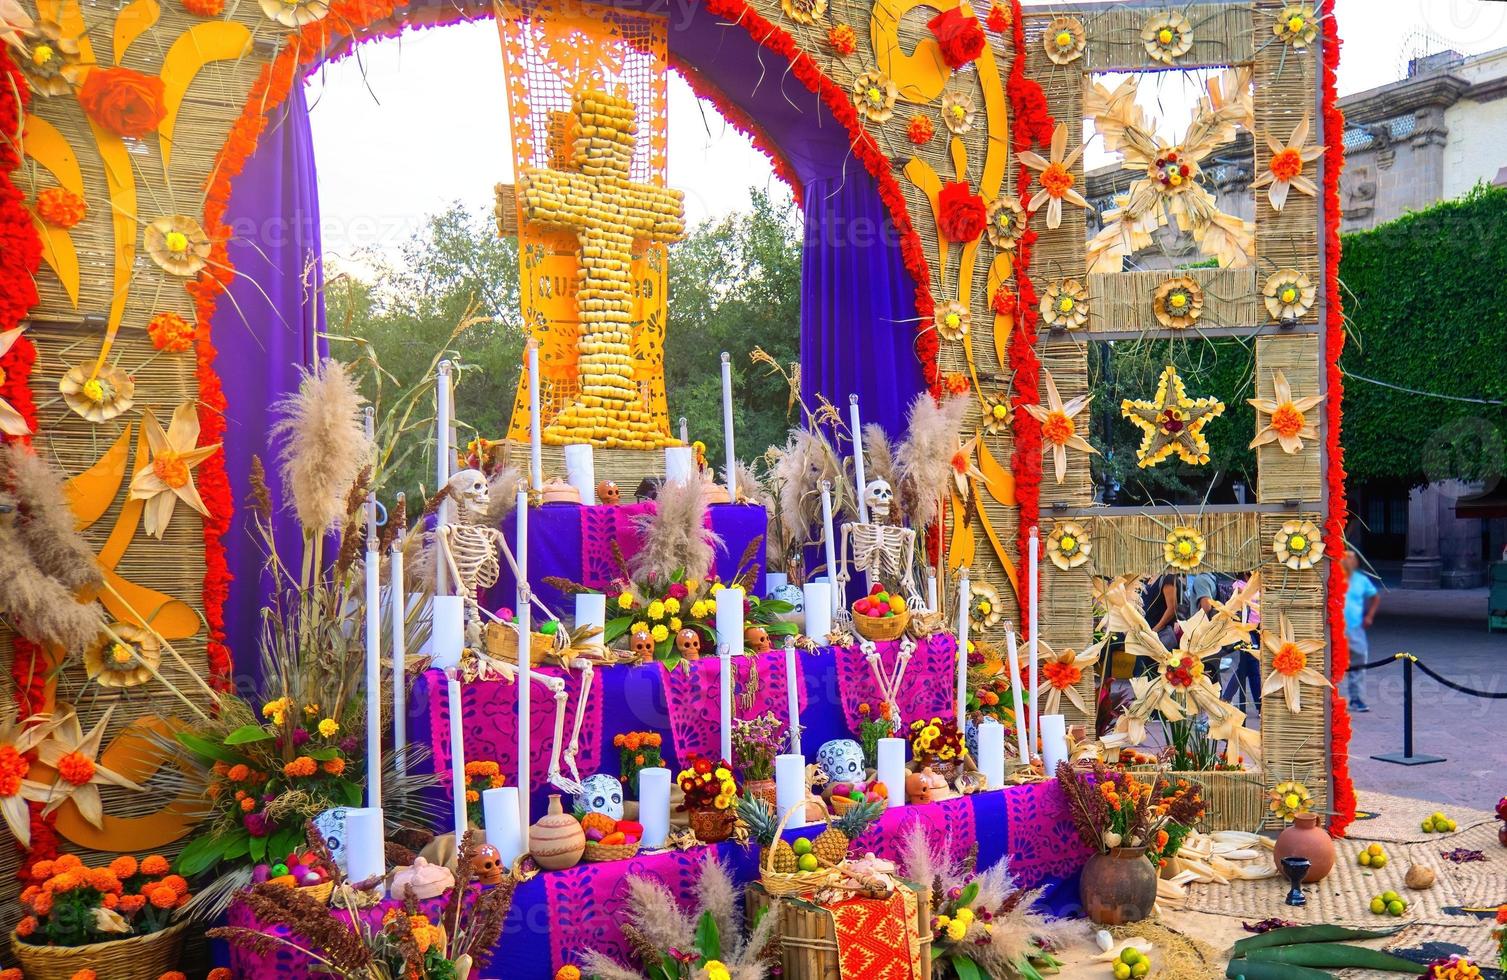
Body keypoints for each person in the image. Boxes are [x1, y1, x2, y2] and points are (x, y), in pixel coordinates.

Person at [1342, 552, 1379, 713]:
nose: (1349, 561)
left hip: (1355, 628)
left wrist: (1369, 616)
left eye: (1352, 558)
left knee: (1358, 662)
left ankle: (1356, 698)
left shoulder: (1361, 580)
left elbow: (1375, 597)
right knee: (1332, 663)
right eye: (1346, 558)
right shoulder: (1334, 577)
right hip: (1336, 627)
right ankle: (1332, 697)